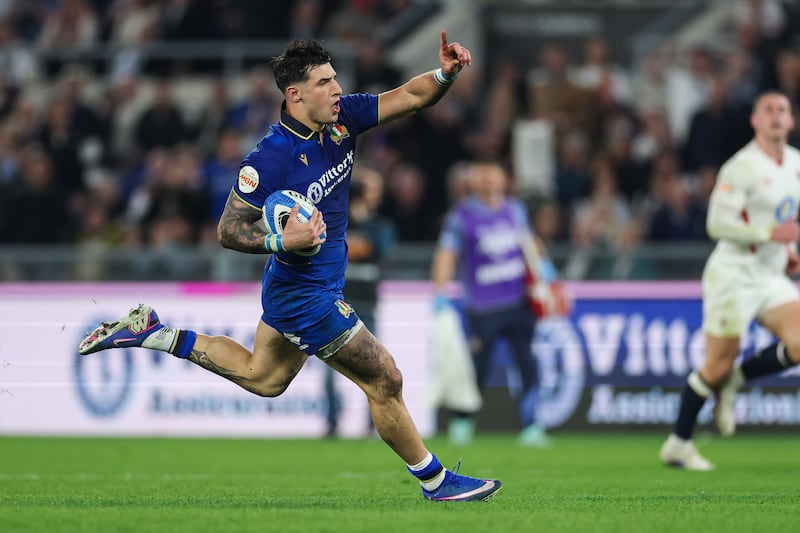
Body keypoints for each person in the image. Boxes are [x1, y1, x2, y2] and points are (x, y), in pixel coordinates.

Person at [79, 32, 502, 502]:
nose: (337, 89)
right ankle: (437, 482)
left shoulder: (345, 119)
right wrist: (283, 238)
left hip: (310, 285)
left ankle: (154, 333)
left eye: (336, 78)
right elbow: (228, 230)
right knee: (385, 377)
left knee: (265, 378)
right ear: (295, 94)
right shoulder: (270, 157)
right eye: (324, 82)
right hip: (303, 295)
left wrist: (445, 73)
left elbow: (411, 96)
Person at [659, 91, 800, 471]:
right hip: (733, 274)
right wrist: (772, 234)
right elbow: (716, 224)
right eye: (767, 110)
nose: (775, 116)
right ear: (755, 120)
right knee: (716, 366)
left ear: (791, 120)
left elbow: (788, 221)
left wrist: (787, 252)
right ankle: (679, 443)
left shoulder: (796, 165)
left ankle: (739, 378)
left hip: (769, 274)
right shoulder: (740, 167)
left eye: (782, 110)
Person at [430, 159, 551, 448]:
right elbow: (447, 254)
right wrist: (440, 291)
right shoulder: (462, 216)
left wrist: (545, 270)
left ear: (503, 179)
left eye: (492, 174)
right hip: (483, 307)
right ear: (473, 181)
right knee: (477, 369)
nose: (487, 180)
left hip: (519, 302)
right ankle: (463, 420)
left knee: (527, 363)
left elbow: (530, 244)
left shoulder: (515, 210)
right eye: (482, 175)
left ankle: (531, 425)